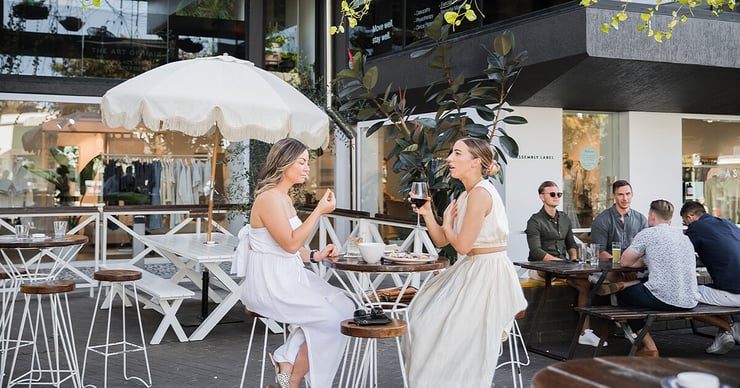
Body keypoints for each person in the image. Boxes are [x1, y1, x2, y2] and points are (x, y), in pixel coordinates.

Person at [404, 137, 527, 387]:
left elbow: (461, 245)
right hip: (471, 268)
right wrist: (428, 213)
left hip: (487, 274)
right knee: (419, 317)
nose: (449, 159)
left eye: (457, 153)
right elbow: (441, 241)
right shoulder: (465, 195)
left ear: (475, 162)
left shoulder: (481, 194)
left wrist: (447, 224)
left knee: (435, 329)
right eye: (451, 153)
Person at [233, 138, 354, 388]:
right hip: (270, 282)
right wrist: (318, 212)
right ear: (284, 163)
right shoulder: (268, 199)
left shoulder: (284, 198)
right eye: (301, 162)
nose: (307, 168)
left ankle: (286, 361)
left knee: (345, 308)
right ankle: (292, 379)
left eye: (307, 162)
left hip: (289, 276)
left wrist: (316, 255)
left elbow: (291, 247)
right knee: (331, 320)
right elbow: (288, 244)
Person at [600, 199, 699, 357]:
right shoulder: (683, 238)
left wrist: (637, 260)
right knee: (649, 281)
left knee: (625, 297)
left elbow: (624, 261)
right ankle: (624, 284)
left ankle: (649, 346)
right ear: (670, 218)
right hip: (690, 298)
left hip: (665, 298)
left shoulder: (648, 234)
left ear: (652, 216)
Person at [525, 180, 606, 347]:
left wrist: (574, 258)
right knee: (580, 278)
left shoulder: (565, 218)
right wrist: (561, 262)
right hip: (540, 267)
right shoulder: (534, 221)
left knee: (584, 282)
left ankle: (585, 333)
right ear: (542, 197)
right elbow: (536, 252)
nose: (556, 197)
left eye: (558, 194)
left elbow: (571, 244)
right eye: (552, 194)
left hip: (563, 266)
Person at [680, 200, 740, 354]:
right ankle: (723, 334)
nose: (686, 225)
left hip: (734, 292)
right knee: (716, 288)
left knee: (684, 295)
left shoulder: (696, 227)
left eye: (684, 221)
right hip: (730, 287)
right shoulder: (728, 223)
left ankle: (729, 329)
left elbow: (681, 255)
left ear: (690, 217)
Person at [591, 180, 648, 261]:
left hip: (636, 267)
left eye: (628, 194)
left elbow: (646, 247)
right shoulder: (602, 220)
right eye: (620, 194)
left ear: (632, 194)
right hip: (610, 268)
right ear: (614, 196)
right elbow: (599, 252)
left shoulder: (641, 219)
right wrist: (621, 264)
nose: (625, 198)